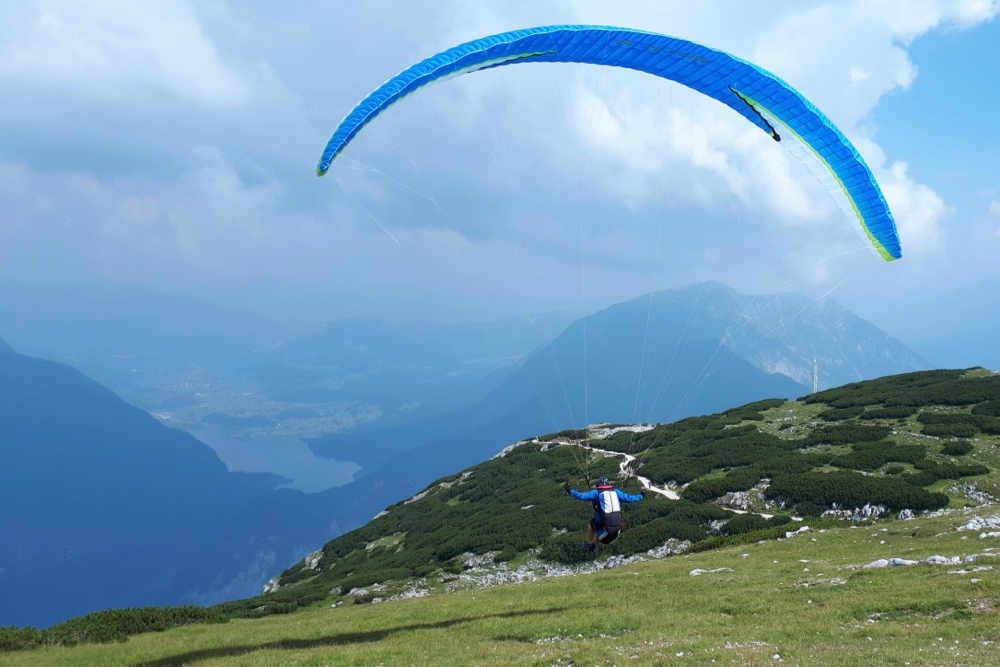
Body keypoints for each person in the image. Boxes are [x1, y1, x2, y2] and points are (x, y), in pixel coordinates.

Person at [564, 476, 645, 550]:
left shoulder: (596, 493)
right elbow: (630, 498)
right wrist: (641, 495)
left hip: (605, 535)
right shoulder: (616, 492)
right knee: (600, 525)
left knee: (592, 523)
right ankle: (595, 545)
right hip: (617, 531)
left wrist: (569, 490)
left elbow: (581, 496)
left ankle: (589, 544)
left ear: (598, 485)